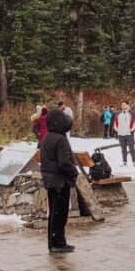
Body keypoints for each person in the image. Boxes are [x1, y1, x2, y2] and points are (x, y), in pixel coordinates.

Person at [40, 108, 78, 253]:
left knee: (54, 213)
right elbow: (64, 163)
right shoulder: (60, 139)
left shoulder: (47, 137)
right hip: (60, 181)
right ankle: (58, 243)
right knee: (60, 214)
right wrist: (73, 172)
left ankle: (53, 241)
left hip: (50, 180)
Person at [113, 101, 135, 165]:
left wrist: (131, 130)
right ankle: (124, 161)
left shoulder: (131, 113)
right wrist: (117, 130)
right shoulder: (118, 113)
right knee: (123, 148)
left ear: (127, 105)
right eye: (122, 105)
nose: (123, 106)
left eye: (124, 105)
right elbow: (115, 123)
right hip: (121, 134)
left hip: (129, 134)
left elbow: (134, 122)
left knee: (131, 148)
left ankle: (134, 161)